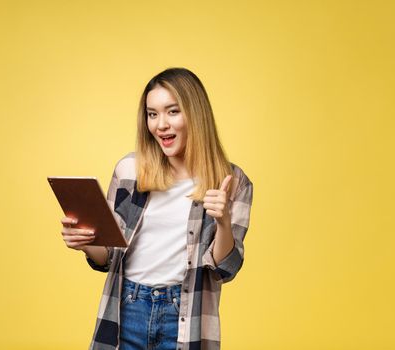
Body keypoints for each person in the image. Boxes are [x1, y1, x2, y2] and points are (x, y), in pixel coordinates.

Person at [60, 67, 254, 350]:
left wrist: (223, 222)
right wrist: (86, 242)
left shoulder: (232, 182)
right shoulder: (129, 171)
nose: (160, 124)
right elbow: (110, 256)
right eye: (152, 114)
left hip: (184, 315)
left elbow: (225, 270)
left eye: (172, 111)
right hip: (126, 308)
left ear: (196, 114)